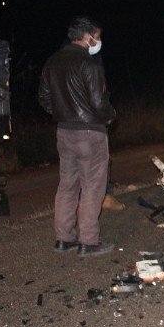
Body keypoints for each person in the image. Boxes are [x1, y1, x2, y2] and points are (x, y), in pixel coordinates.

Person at [38, 16, 117, 256]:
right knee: (93, 187)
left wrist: (63, 113)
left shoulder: (51, 62)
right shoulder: (90, 64)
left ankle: (64, 238)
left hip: (64, 132)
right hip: (90, 133)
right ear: (87, 36)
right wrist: (111, 116)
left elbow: (44, 99)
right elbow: (98, 102)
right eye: (98, 36)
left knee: (67, 185)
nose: (98, 41)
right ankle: (89, 242)